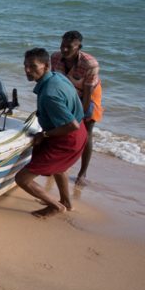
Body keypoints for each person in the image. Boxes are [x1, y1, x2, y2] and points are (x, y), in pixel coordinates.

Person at [15, 47, 87, 218]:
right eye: (25, 66)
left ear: (46, 66)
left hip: (66, 138)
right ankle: (67, 203)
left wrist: (44, 135)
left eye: (33, 66)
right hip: (78, 134)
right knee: (59, 168)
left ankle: (55, 206)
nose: (27, 70)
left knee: (22, 179)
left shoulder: (49, 94)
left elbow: (71, 125)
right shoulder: (57, 77)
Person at [50, 31, 102, 186]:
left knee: (86, 130)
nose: (64, 50)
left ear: (79, 47)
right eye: (62, 45)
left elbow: (87, 93)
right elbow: (55, 83)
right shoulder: (55, 57)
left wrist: (78, 117)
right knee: (58, 128)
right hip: (67, 91)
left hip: (89, 93)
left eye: (69, 47)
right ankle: (55, 166)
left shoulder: (90, 64)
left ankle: (82, 173)